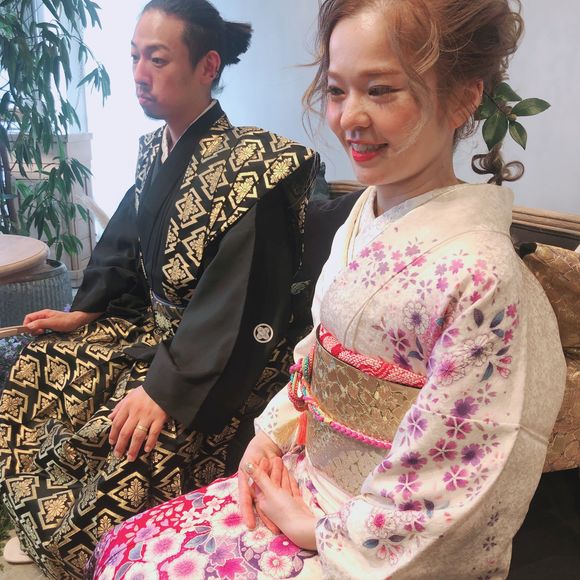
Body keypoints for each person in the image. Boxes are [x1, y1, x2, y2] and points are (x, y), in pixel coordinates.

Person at [86, 0, 567, 578]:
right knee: (126, 546)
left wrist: (317, 531)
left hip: (376, 539)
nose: (350, 117)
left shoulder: (483, 277)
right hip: (304, 477)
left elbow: (463, 473)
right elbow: (318, 354)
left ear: (464, 97)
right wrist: (271, 436)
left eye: (381, 90)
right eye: (337, 90)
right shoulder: (362, 217)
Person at [0, 0, 318, 577]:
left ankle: (75, 533)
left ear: (207, 66)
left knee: (123, 440)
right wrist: (85, 309)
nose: (139, 75)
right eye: (134, 58)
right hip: (161, 331)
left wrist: (166, 388)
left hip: (223, 362)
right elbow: (125, 242)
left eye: (158, 59)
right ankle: (35, 506)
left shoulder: (257, 171)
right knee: (43, 358)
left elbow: (245, 303)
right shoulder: (154, 152)